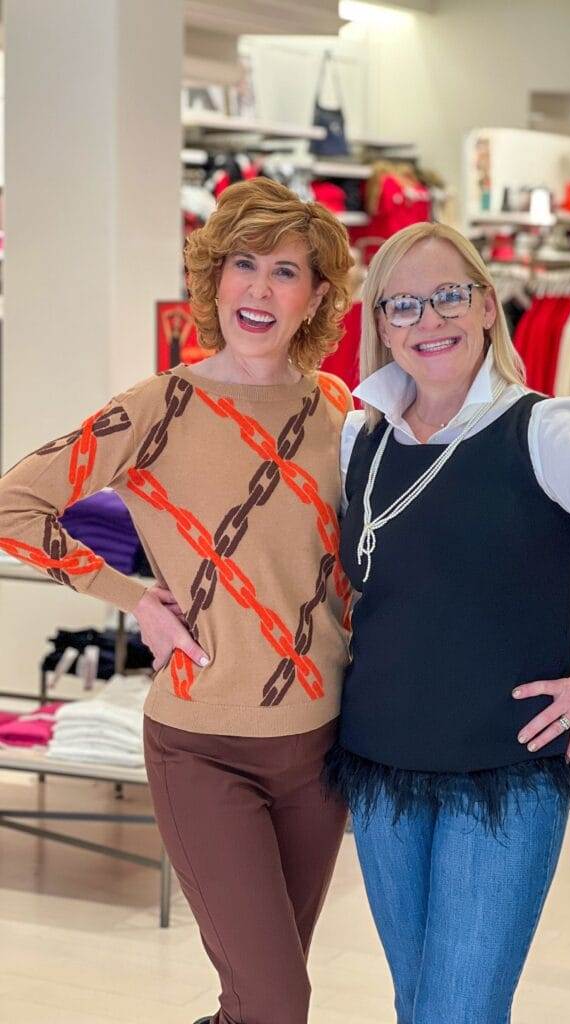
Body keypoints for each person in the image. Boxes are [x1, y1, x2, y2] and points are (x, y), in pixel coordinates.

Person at [324, 221, 570, 1023]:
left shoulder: (542, 431)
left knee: (459, 1012)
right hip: (379, 769)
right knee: (418, 1005)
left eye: (448, 296)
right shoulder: (360, 436)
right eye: (402, 305)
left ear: (485, 307)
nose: (426, 321)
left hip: (503, 775)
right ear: (379, 325)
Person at [0, 177, 355, 1024]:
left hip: (325, 749)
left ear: (316, 297)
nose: (259, 290)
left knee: (255, 1001)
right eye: (243, 264)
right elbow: (15, 504)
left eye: (285, 271)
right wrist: (131, 599)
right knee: (278, 1002)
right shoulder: (157, 408)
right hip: (204, 748)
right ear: (214, 279)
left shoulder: (343, 411)